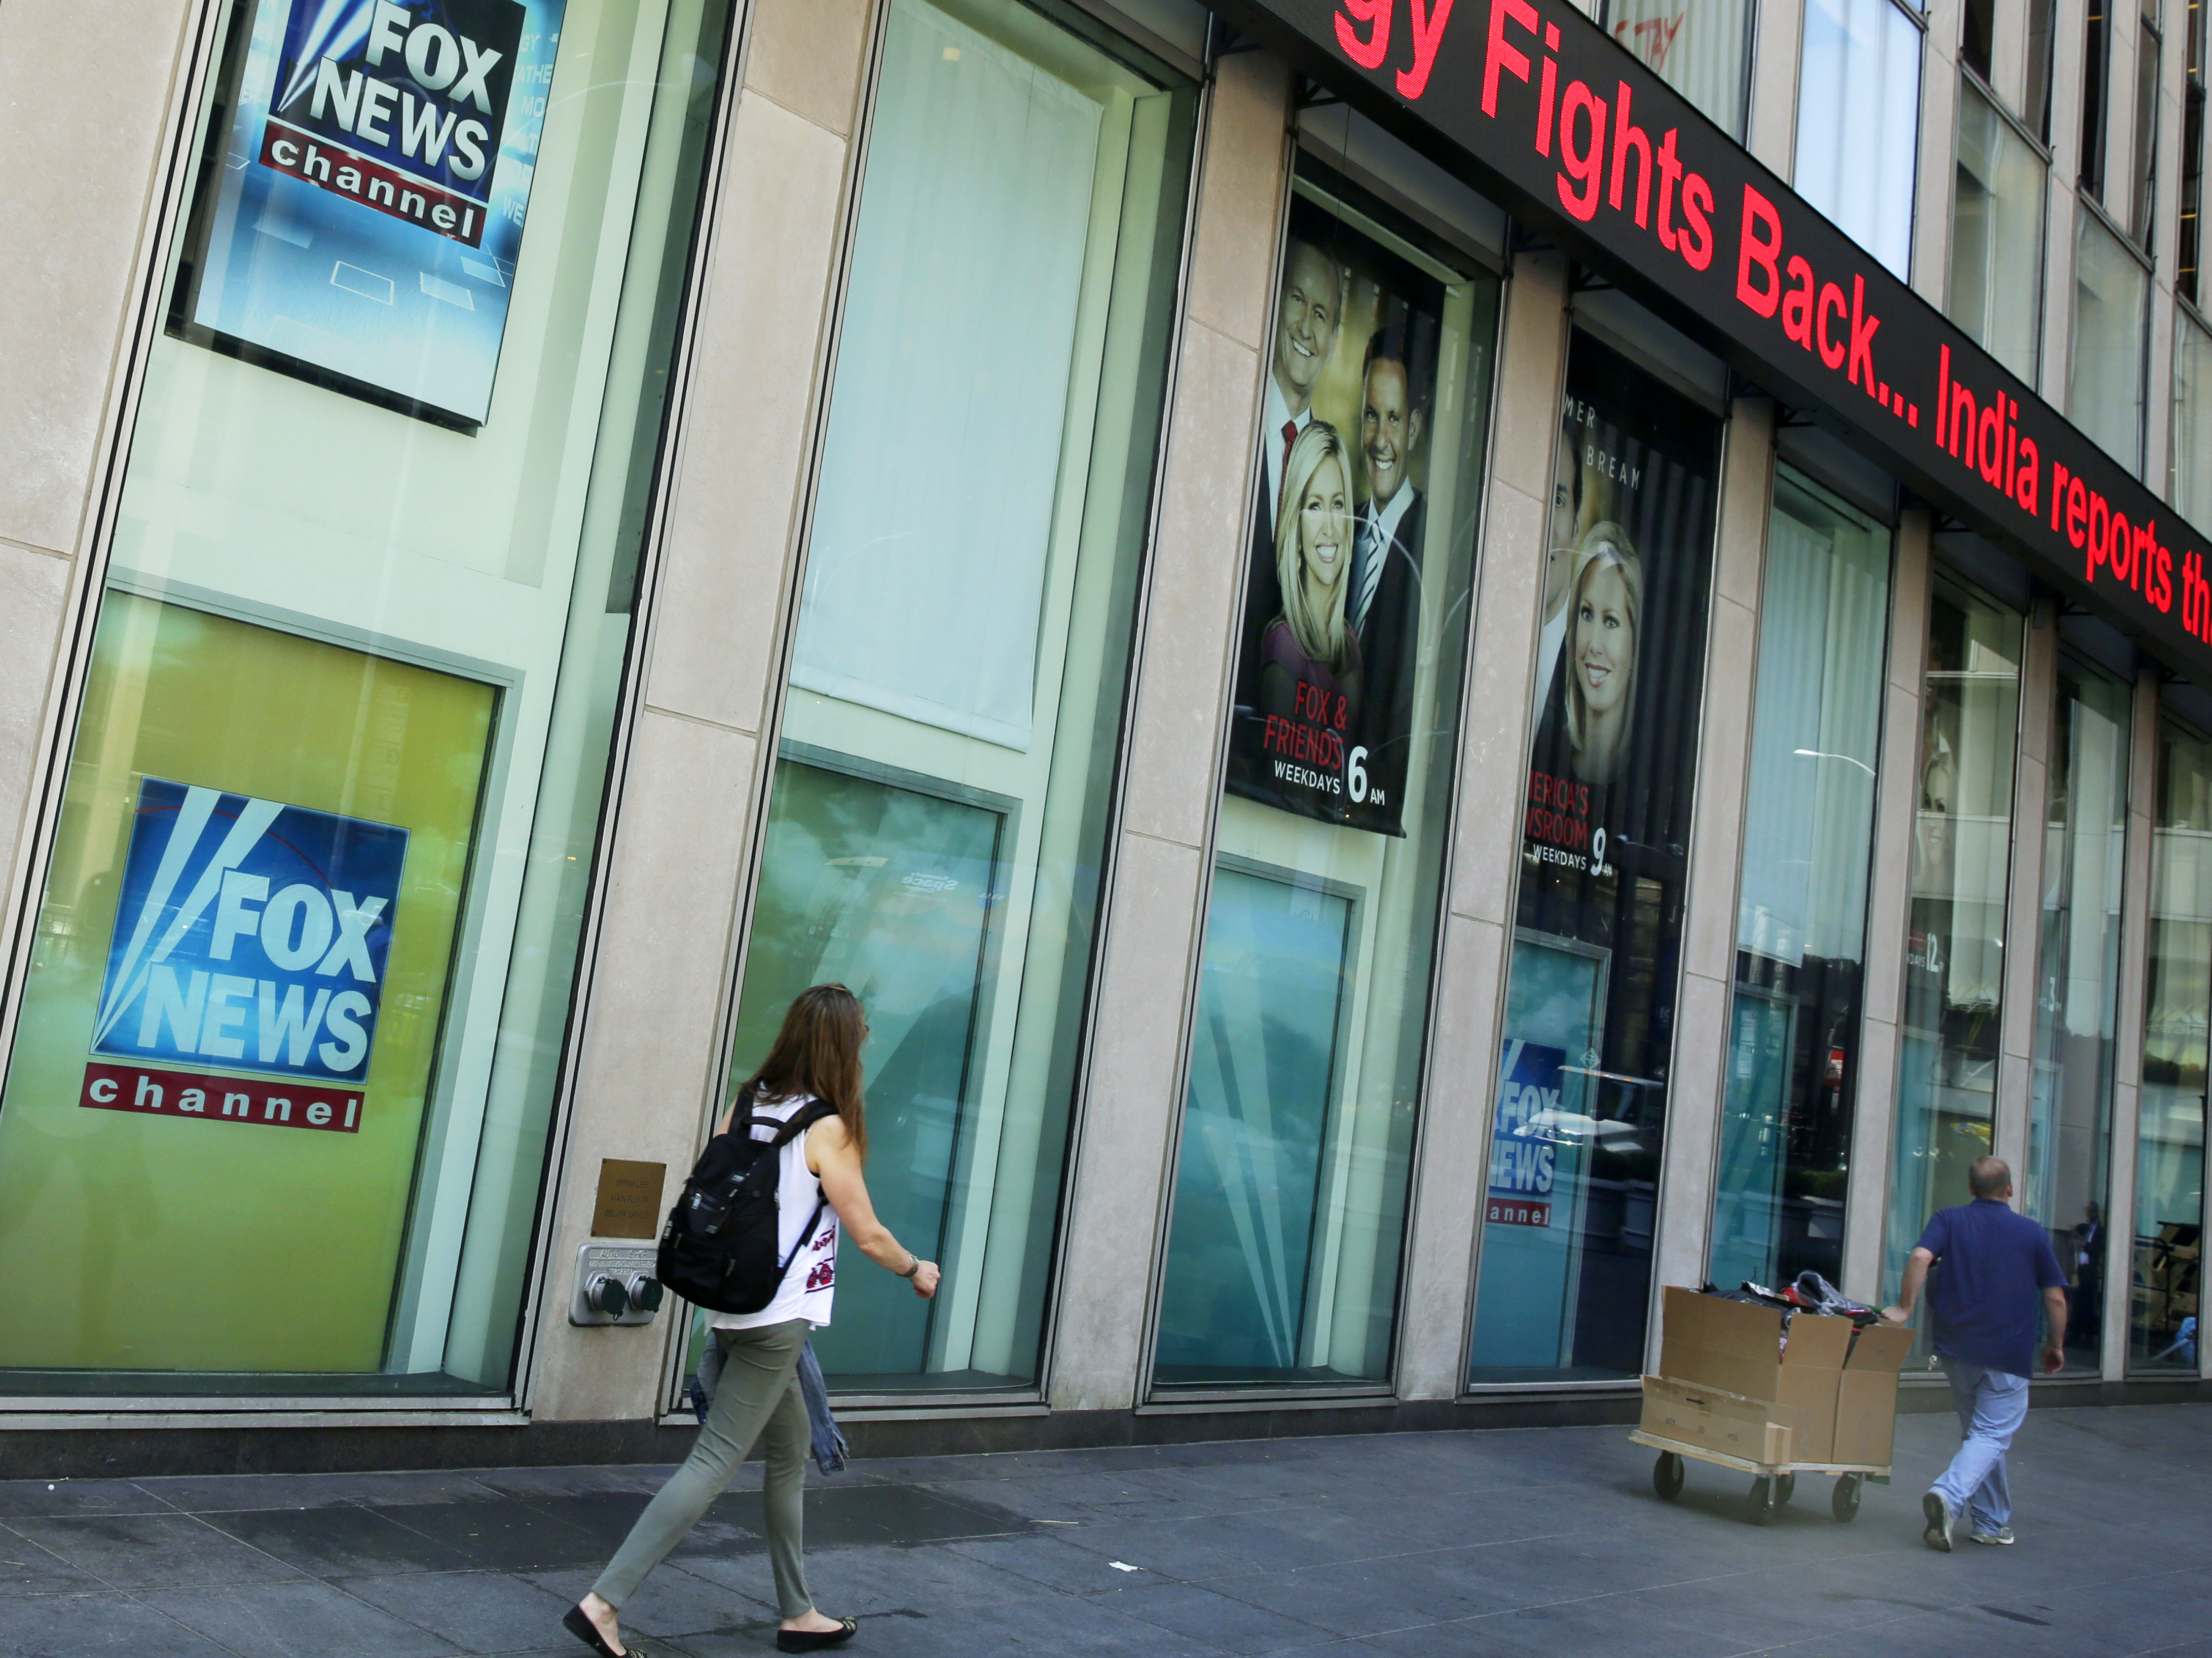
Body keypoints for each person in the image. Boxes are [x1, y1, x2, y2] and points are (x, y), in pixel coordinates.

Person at [566, 985, 941, 1657]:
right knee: (713, 1462)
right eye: (863, 1033)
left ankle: (799, 1613)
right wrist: (916, 1269)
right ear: (844, 1045)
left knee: (790, 1452)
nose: (868, 1042)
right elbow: (868, 1233)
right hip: (779, 1317)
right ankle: (603, 1603)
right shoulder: (829, 1127)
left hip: (734, 1301)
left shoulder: (749, 1103)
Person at [1882, 1156, 2067, 1552]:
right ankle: (1949, 1495)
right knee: (1990, 1435)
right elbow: (2055, 1297)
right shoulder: (2032, 1233)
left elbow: (1919, 1257)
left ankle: (1991, 1522)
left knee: (1980, 1437)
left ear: (1971, 1189)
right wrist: (2055, 1345)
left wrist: (1904, 1308)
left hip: (1957, 1349)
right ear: (2011, 1189)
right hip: (2008, 1354)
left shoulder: (1949, 1219)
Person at [1347, 326, 1426, 825]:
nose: (1380, 438)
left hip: (1375, 809)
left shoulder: (1428, 544)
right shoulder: (1340, 526)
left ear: (1413, 430)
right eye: (1371, 416)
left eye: (1393, 419)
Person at [1258, 422, 1361, 738]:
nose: (1331, 526)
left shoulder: (1349, 644)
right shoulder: (1284, 647)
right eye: (1315, 506)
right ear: (1297, 528)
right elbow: (1283, 782)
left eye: (1338, 505)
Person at [1561, 526, 1642, 785]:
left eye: (1611, 621)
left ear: (1635, 642)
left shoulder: (1646, 775)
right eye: (1586, 614)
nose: (1594, 644)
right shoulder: (1543, 750)